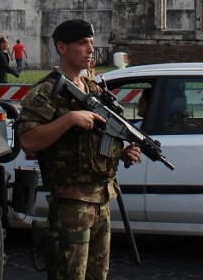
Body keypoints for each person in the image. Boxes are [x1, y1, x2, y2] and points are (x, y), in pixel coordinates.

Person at [15, 19, 142, 280]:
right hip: (71, 204)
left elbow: (97, 140)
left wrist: (122, 152)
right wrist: (70, 119)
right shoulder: (48, 92)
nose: (90, 49)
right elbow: (28, 140)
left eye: (92, 43)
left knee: (98, 275)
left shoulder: (94, 89)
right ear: (62, 47)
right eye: (83, 43)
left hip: (102, 200)